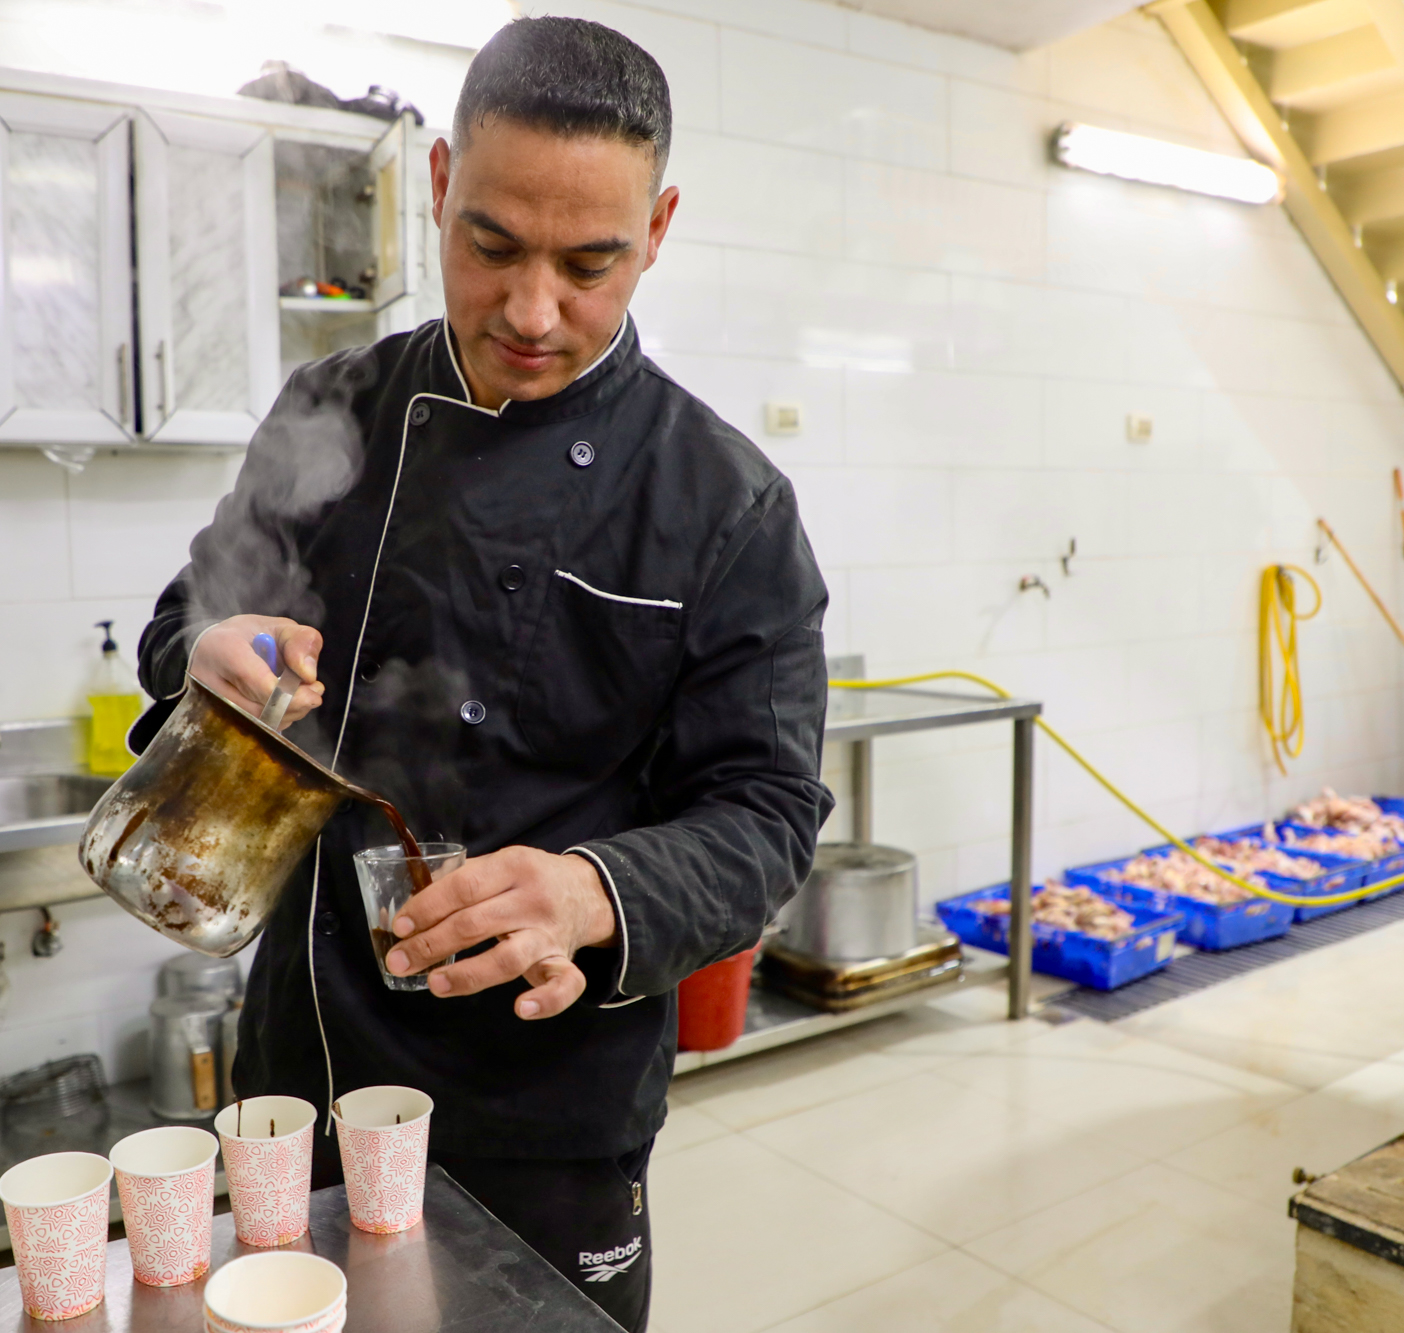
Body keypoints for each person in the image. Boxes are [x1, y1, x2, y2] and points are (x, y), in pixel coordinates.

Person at [132, 17, 833, 1330]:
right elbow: (191, 614)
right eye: (493, 246)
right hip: (311, 1061)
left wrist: (594, 888)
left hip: (551, 1106)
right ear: (443, 184)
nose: (531, 311)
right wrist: (206, 656)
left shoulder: (724, 503)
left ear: (660, 225)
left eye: (590, 265)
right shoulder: (332, 410)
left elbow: (768, 812)